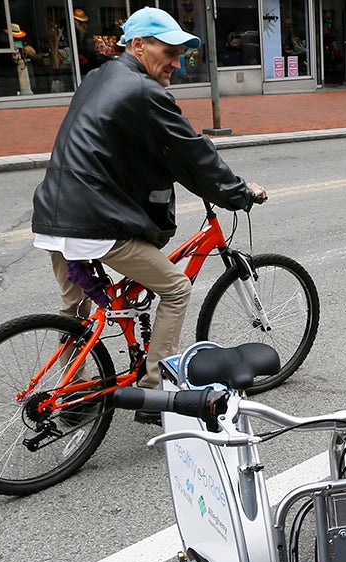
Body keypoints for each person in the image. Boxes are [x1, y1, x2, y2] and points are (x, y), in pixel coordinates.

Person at [31, 7, 267, 422]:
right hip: (92, 220)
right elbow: (193, 155)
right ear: (137, 44)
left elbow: (112, 144)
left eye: (182, 55)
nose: (177, 63)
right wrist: (237, 192)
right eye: (170, 52)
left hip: (54, 215)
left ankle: (69, 397)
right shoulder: (143, 90)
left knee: (76, 314)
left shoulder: (99, 77)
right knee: (175, 289)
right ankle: (156, 394)